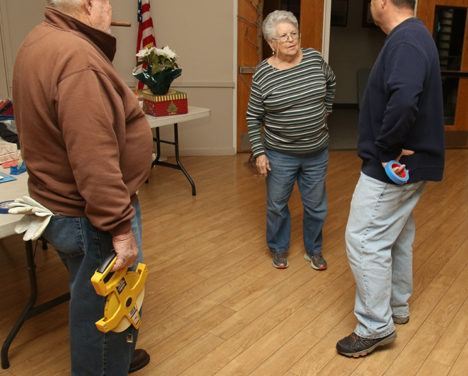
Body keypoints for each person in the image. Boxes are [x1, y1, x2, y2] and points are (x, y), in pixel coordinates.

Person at [13, 0, 153, 374]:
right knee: (104, 306)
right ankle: (105, 364)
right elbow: (94, 157)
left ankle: (113, 357)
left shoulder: (40, 39)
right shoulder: (79, 59)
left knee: (90, 295)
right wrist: (119, 228)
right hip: (90, 216)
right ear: (92, 4)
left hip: (56, 202)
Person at [336, 0, 445, 357]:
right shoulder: (415, 35)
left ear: (382, 2)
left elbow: (403, 100)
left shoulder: (406, 40)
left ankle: (374, 326)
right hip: (406, 165)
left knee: (364, 238)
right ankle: (396, 307)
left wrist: (385, 150)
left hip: (392, 166)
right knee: (396, 233)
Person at [246, 10, 336, 270]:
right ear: (271, 43)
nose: (290, 39)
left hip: (316, 151)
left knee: (317, 207)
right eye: (282, 36)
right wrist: (259, 152)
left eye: (293, 33)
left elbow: (330, 82)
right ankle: (278, 247)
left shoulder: (315, 59)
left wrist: (326, 108)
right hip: (279, 154)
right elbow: (253, 117)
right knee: (276, 206)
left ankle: (314, 250)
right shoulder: (263, 74)